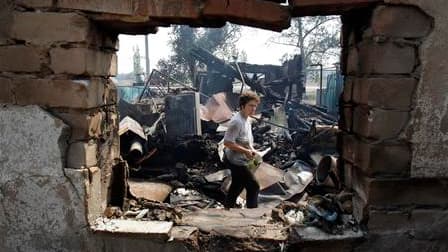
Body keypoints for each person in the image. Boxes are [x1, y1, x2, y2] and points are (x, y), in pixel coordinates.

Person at [223, 91, 261, 208]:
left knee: (237, 185)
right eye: (251, 105)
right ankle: (252, 215)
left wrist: (252, 149)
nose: (253, 108)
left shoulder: (247, 119)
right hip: (236, 161)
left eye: (255, 106)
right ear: (242, 106)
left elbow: (245, 140)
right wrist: (245, 151)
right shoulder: (236, 122)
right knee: (254, 186)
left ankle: (227, 208)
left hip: (242, 158)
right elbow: (227, 142)